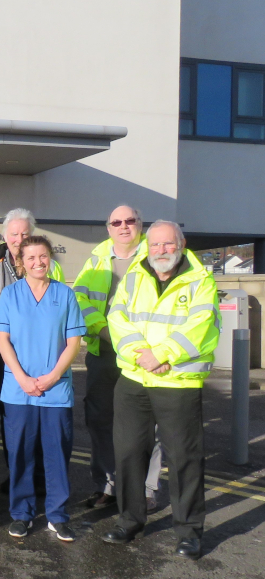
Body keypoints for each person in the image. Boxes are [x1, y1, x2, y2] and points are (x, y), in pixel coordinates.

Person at [102, 220, 219, 560]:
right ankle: (129, 521)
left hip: (177, 382)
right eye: (155, 245)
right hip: (135, 378)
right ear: (147, 247)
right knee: (128, 453)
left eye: (168, 244)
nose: (161, 250)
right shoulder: (134, 276)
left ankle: (189, 532)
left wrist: (163, 354)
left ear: (181, 244)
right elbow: (117, 317)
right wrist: (142, 354)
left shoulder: (200, 280)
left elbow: (200, 326)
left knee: (183, 459)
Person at [0, 235, 85, 542]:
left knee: (57, 454)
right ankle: (22, 514)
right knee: (20, 453)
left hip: (55, 390)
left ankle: (57, 516)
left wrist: (53, 376)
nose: (38, 262)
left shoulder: (65, 294)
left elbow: (74, 342)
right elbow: (2, 341)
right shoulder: (10, 294)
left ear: (50, 258)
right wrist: (21, 377)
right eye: (30, 257)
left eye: (43, 256)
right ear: (21, 262)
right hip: (18, 389)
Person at [72, 205, 163, 511]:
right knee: (100, 419)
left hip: (143, 353)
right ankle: (107, 486)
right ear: (108, 227)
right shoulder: (97, 257)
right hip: (104, 349)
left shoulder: (155, 254)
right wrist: (101, 329)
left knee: (147, 423)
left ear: (140, 224)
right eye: (116, 222)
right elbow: (79, 298)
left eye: (130, 221)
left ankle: (146, 489)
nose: (123, 226)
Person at [0, 208, 62, 494]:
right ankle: (17, 474)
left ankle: (41, 476)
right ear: (5, 236)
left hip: (43, 355)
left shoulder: (52, 267)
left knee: (42, 418)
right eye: (14, 233)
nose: (19, 238)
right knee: (12, 420)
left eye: (25, 233)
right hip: (5, 355)